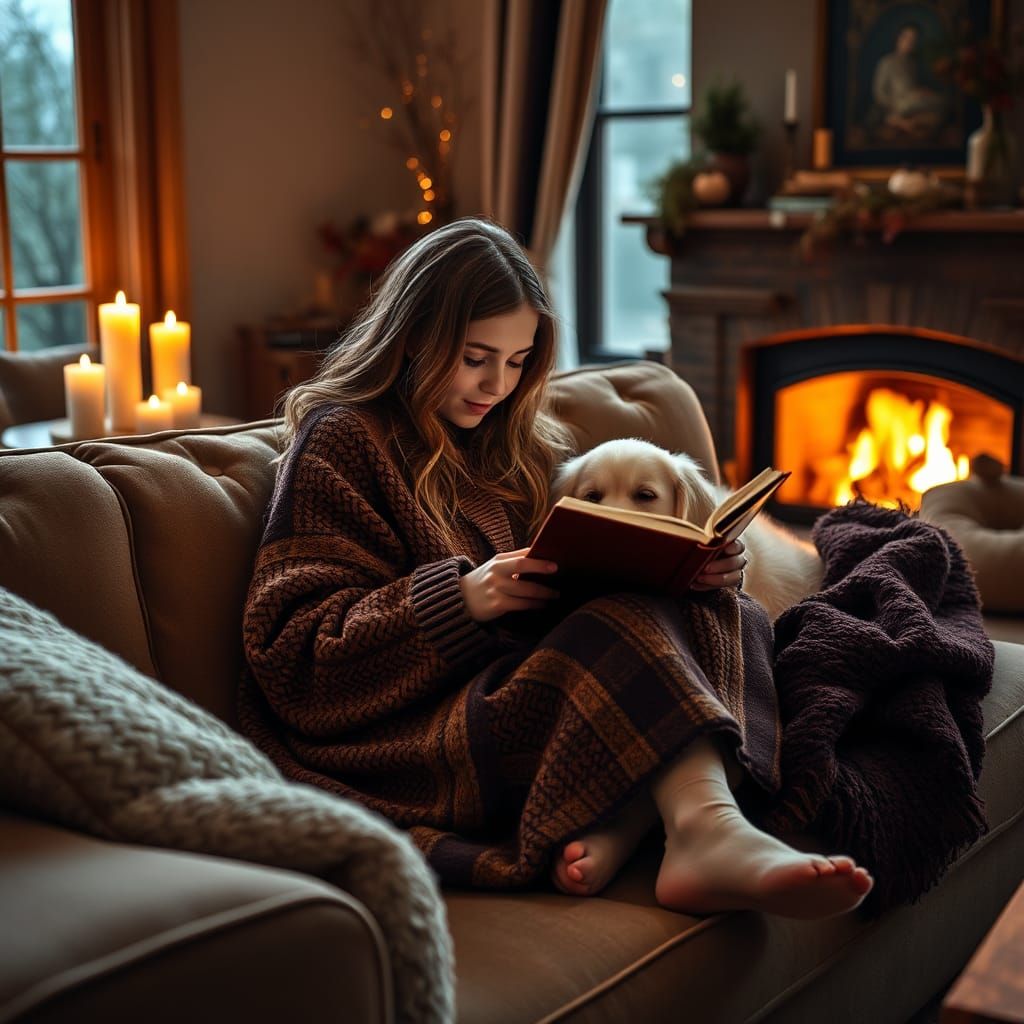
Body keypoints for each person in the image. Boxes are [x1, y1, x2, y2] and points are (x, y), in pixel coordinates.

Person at [238, 216, 873, 919]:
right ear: (415, 335)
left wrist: (693, 570)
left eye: (516, 363)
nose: (496, 385)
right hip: (410, 736)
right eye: (477, 356)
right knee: (620, 626)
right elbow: (292, 654)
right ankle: (699, 829)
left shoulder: (510, 448)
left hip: (521, 689)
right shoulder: (341, 441)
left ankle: (650, 823)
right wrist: (464, 599)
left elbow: (556, 593)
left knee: (725, 608)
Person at [871, 22, 947, 138]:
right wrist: (893, 104)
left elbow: (912, 87)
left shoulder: (912, 63)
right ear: (899, 37)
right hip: (898, 103)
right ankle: (898, 121)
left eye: (914, 39)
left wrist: (921, 92)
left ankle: (906, 123)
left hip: (914, 100)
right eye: (907, 37)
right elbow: (879, 92)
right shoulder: (887, 62)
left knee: (941, 103)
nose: (910, 42)